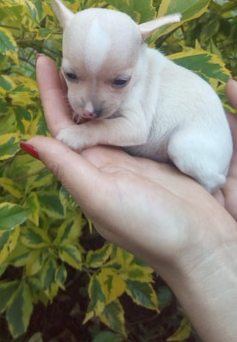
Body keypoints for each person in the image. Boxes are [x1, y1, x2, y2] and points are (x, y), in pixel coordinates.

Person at [20, 55, 237, 342]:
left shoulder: (150, 80)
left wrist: (86, 134)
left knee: (182, 149)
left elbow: (136, 131)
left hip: (203, 163)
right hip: (197, 161)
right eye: (72, 76)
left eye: (118, 81)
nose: (90, 103)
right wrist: (209, 257)